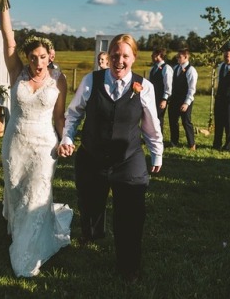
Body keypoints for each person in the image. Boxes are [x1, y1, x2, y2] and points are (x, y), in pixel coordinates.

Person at [58, 34, 163, 282]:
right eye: (115, 55)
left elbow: (151, 125)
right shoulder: (91, 81)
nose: (119, 61)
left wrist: (156, 152)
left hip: (128, 159)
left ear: (134, 58)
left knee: (131, 213)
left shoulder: (144, 86)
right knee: (90, 203)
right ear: (109, 57)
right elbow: (73, 115)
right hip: (92, 157)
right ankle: (92, 232)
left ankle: (129, 266)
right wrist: (67, 139)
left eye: (125, 56)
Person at [0, 0, 72, 277]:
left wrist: (65, 138)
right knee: (15, 190)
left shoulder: (59, 80)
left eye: (43, 57)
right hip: (15, 142)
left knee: (37, 193)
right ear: (26, 58)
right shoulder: (17, 73)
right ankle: (17, 231)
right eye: (33, 57)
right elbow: (8, 38)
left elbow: (60, 116)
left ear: (50, 56)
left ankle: (31, 249)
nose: (37, 62)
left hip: (44, 146)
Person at [168, 48, 198, 150]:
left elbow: (192, 88)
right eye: (177, 56)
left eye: (179, 57)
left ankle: (192, 144)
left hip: (185, 100)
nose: (177, 58)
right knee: (173, 121)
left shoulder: (191, 70)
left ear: (186, 57)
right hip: (174, 100)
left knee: (186, 122)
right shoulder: (176, 68)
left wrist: (186, 103)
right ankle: (174, 142)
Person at [149, 48, 173, 132]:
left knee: (159, 118)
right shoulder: (153, 68)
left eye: (153, 54)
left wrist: (164, 99)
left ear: (159, 55)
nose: (151, 56)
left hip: (161, 98)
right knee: (152, 118)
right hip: (152, 97)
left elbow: (168, 86)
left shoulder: (166, 68)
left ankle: (159, 138)